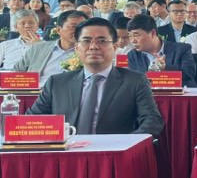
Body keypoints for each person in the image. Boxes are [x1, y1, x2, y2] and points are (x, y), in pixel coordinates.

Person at [27, 17, 163, 138]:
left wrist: (125, 145)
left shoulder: (135, 81)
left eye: (102, 41)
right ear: (77, 48)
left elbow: (152, 121)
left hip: (113, 153)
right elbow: (31, 120)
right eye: (86, 41)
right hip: (68, 153)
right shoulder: (57, 83)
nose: (93, 47)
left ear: (115, 47)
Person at [126, 14, 197, 87]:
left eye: (136, 35)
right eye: (130, 36)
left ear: (153, 33)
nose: (133, 41)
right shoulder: (133, 55)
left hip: (182, 93)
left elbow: (189, 73)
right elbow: (134, 82)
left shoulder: (181, 49)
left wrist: (166, 68)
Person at [15, 10, 85, 78]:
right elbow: (15, 71)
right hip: (36, 85)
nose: (79, 31)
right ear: (58, 30)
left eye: (83, 27)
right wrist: (28, 83)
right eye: (73, 27)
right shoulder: (39, 48)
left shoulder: (87, 53)